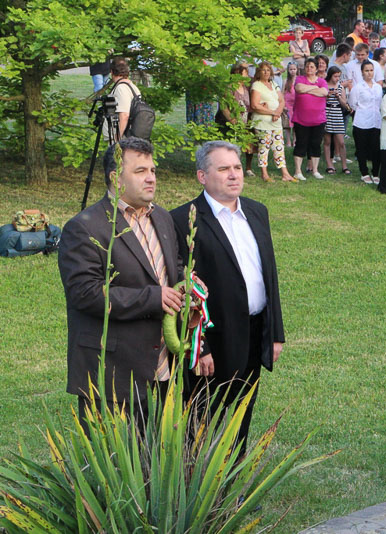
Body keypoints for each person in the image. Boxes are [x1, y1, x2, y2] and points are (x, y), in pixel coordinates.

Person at [171, 140, 285, 458]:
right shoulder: (183, 220)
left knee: (241, 416)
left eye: (237, 167)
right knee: (201, 418)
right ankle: (195, 477)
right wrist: (200, 347)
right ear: (202, 176)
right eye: (223, 169)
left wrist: (275, 333)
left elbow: (269, 275)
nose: (234, 175)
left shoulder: (257, 212)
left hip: (254, 332)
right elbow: (182, 288)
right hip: (213, 340)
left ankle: (232, 478)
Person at [59, 137, 182, 429]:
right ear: (116, 177)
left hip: (163, 365)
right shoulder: (84, 227)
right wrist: (153, 298)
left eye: (152, 170)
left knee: (160, 452)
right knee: (117, 455)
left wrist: (186, 290)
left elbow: (172, 269)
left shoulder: (162, 218)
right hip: (112, 371)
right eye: (140, 171)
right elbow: (84, 293)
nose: (151, 178)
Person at [249, 62, 294, 183]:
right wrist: (272, 112)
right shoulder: (257, 85)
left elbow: (281, 100)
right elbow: (255, 105)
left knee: (279, 147)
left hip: (276, 122)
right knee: (264, 147)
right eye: (263, 70)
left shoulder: (273, 84)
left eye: (268, 70)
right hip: (263, 122)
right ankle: (264, 174)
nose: (266, 72)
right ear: (259, 72)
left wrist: (278, 112)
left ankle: (285, 173)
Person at [292, 59, 328, 180]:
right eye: (307, 66)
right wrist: (315, 88)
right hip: (301, 119)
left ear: (316, 69)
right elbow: (299, 88)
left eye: (312, 67)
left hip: (318, 120)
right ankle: (298, 171)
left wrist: (308, 89)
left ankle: (315, 170)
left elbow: (324, 92)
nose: (309, 69)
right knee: (301, 143)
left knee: (315, 144)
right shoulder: (300, 79)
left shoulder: (322, 81)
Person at [217, 63, 255, 176]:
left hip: (244, 121)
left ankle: (247, 168)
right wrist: (231, 119)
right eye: (244, 73)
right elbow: (223, 106)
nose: (246, 75)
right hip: (229, 123)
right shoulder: (229, 87)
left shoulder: (246, 87)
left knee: (248, 144)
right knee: (230, 147)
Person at [349, 60, 383, 184]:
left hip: (375, 121)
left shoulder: (378, 87)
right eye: (366, 71)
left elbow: (379, 103)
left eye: (371, 70)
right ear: (362, 72)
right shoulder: (358, 87)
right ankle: (364, 172)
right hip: (362, 122)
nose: (369, 73)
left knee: (376, 148)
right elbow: (353, 103)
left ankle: (375, 172)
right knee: (361, 148)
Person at [323, 66, 351, 175]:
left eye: (338, 76)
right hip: (327, 113)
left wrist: (338, 97)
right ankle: (329, 165)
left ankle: (344, 166)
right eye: (335, 76)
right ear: (330, 76)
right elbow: (320, 100)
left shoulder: (340, 87)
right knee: (327, 141)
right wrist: (327, 95)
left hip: (338, 114)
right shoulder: (324, 85)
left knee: (341, 142)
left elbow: (345, 104)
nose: (337, 79)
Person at [104, 57, 141, 141]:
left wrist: (117, 137)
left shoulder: (121, 88)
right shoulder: (131, 86)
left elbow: (124, 115)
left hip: (122, 138)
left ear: (111, 72)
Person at [282, 61, 298, 148]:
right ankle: (288, 141)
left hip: (297, 105)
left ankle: (295, 141)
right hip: (288, 105)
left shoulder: (299, 80)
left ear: (297, 69)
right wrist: (283, 105)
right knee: (287, 124)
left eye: (294, 69)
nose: (292, 71)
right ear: (288, 70)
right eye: (291, 69)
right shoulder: (286, 81)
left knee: (295, 124)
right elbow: (282, 93)